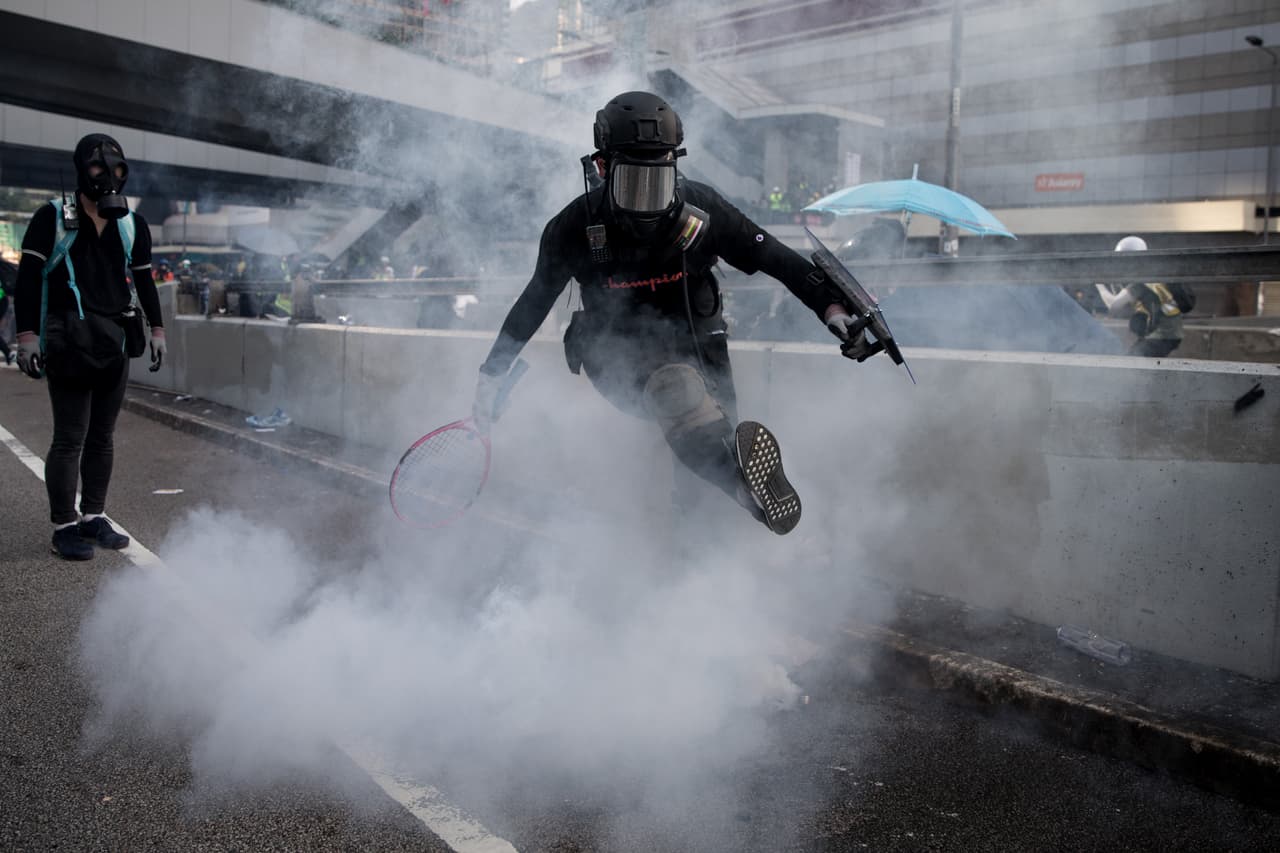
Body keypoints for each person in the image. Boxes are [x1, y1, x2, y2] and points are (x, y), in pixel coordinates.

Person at [472, 92, 875, 536]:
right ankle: (744, 493)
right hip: (617, 355)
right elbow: (533, 303)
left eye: (658, 181)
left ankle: (709, 536)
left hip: (699, 342)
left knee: (719, 440)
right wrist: (491, 376)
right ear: (603, 168)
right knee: (677, 392)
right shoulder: (573, 228)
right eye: (633, 183)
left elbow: (776, 258)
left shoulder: (703, 208)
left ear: (675, 167)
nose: (648, 202)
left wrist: (831, 308)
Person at [12, 133, 167, 560]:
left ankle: (93, 516)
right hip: (69, 342)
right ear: (81, 169)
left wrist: (157, 330)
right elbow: (28, 281)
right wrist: (27, 337)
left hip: (115, 341)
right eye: (98, 167)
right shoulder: (51, 217)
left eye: (116, 169)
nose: (108, 177)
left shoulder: (131, 224)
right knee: (69, 438)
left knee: (102, 437)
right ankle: (64, 526)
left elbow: (144, 280)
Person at [1095, 236, 1185, 357]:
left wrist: (1099, 284)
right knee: (1136, 357)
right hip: (1169, 333)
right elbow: (1125, 310)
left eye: (1122, 260)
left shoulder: (1140, 281)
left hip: (1161, 335)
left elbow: (1113, 306)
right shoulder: (1151, 274)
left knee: (1133, 362)